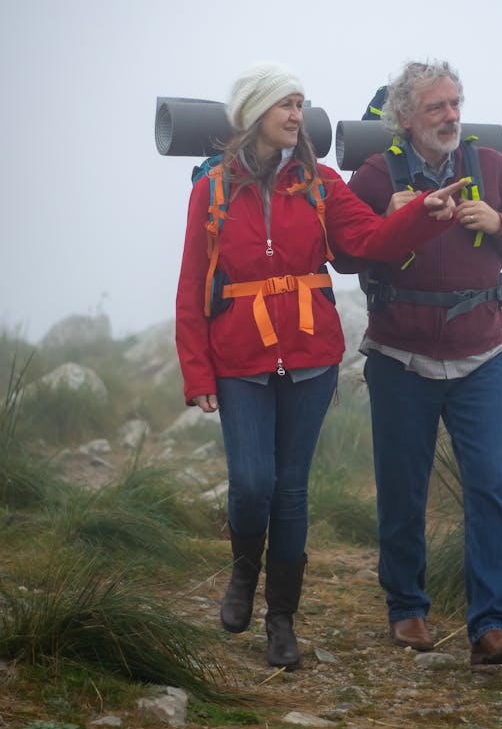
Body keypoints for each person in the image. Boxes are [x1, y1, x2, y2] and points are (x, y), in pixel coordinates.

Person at [175, 61, 467, 671]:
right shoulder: (213, 189)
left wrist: (418, 214)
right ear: (255, 114)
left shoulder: (321, 183)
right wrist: (197, 374)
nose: (296, 115)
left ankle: (281, 620)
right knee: (253, 483)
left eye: (300, 104)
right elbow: (190, 288)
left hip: (310, 358)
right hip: (240, 359)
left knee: (290, 491)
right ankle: (241, 574)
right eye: (284, 103)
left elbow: (370, 243)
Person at [344, 59, 502, 666]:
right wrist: (391, 217)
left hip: (481, 355)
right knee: (404, 490)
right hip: (400, 358)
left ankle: (491, 626)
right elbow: (344, 256)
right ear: (405, 117)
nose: (452, 116)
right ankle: (407, 610)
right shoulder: (377, 175)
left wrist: (498, 222)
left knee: (489, 488)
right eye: (437, 107)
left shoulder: (491, 167)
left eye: (455, 103)